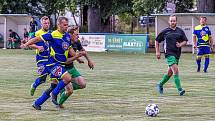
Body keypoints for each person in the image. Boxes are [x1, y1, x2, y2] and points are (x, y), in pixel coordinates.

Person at [21, 16, 85, 110]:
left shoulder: (67, 36)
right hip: (52, 64)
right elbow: (37, 39)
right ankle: (54, 94)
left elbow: (68, 53)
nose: (66, 27)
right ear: (59, 25)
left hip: (59, 64)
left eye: (67, 25)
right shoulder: (53, 34)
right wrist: (26, 44)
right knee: (67, 78)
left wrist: (78, 58)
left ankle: (37, 103)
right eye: (64, 25)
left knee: (53, 86)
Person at [58, 25, 94, 108]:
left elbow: (82, 51)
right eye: (76, 34)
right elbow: (65, 60)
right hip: (62, 69)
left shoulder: (77, 42)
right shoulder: (65, 43)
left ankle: (61, 88)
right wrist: (77, 57)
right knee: (70, 91)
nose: (78, 36)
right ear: (70, 34)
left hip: (71, 68)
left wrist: (89, 60)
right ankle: (59, 104)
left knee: (83, 84)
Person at [155, 14, 187, 96]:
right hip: (169, 54)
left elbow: (185, 41)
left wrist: (180, 45)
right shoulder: (165, 31)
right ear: (169, 22)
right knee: (176, 71)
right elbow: (157, 41)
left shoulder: (180, 31)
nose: (173, 22)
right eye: (171, 21)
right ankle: (180, 90)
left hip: (177, 54)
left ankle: (160, 84)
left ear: (176, 21)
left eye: (174, 21)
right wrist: (157, 52)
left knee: (170, 73)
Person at [28, 16, 51, 96]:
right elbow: (29, 44)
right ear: (41, 24)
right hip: (41, 58)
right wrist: (37, 47)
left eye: (48, 23)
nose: (47, 25)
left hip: (50, 58)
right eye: (45, 23)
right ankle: (34, 85)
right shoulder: (37, 33)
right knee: (43, 76)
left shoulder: (51, 33)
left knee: (45, 79)